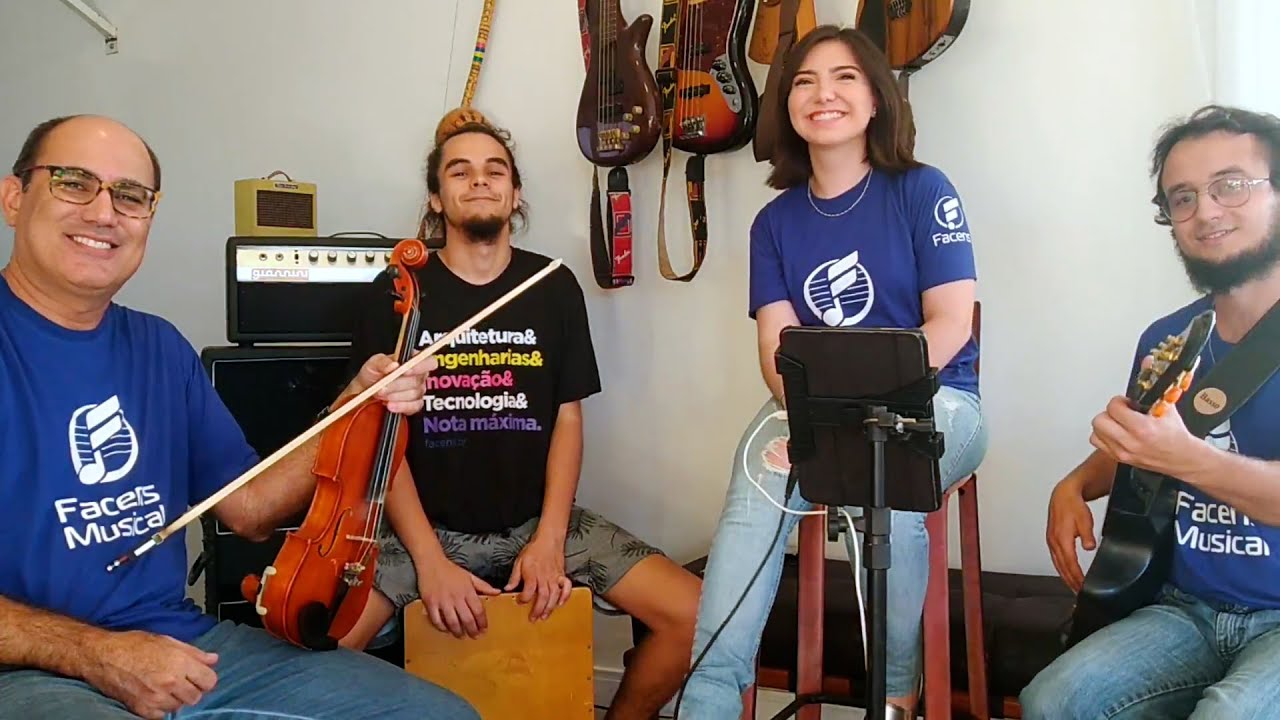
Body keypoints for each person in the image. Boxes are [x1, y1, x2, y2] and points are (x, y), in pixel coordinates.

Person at [0, 114, 479, 720]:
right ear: (14, 198)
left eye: (130, 195)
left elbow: (250, 511)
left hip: (183, 647)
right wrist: (99, 654)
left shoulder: (160, 347)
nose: (104, 212)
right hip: (27, 670)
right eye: (74, 182)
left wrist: (358, 401)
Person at [336, 116, 703, 720]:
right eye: (460, 171)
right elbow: (381, 434)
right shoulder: (397, 289)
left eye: (494, 170)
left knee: (691, 612)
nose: (479, 181)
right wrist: (430, 563)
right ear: (436, 197)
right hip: (423, 527)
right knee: (316, 655)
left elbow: (567, 421)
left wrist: (550, 540)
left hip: (536, 520)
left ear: (515, 193)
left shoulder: (553, 285)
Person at [678, 25, 988, 719]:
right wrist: (824, 417)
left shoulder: (922, 190)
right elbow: (776, 352)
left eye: (845, 76)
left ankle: (895, 697)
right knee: (755, 480)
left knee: (886, 474)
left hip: (938, 403)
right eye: (805, 80)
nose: (824, 93)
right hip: (812, 404)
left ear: (876, 98)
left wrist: (860, 415)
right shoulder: (774, 224)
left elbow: (951, 324)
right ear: (786, 104)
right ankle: (707, 702)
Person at [1021, 105, 1280, 718]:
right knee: (1052, 701)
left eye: (1230, 186)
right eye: (1183, 198)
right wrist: (1077, 483)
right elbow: (1148, 441)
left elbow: (1178, 452)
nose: (1206, 212)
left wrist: (1192, 462)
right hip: (1185, 608)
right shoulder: (1170, 338)